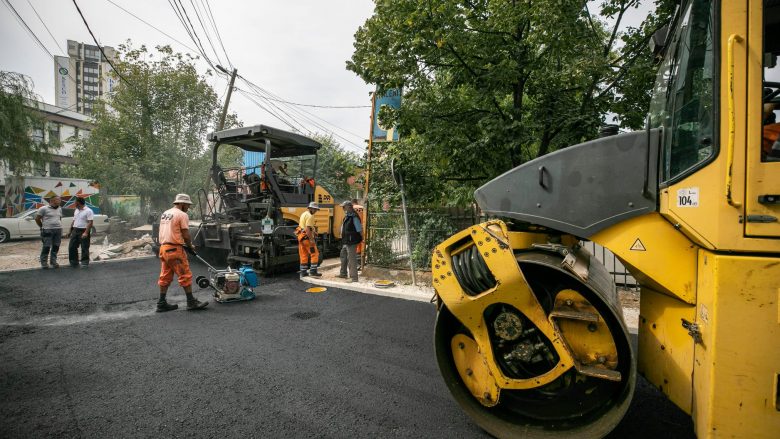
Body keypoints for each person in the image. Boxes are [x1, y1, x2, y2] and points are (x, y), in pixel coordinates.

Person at [156, 193, 208, 312]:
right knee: (185, 275)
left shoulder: (166, 213)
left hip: (164, 248)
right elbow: (186, 234)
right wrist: (190, 246)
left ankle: (161, 303)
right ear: (182, 203)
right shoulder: (182, 214)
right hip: (174, 249)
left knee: (165, 276)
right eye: (187, 205)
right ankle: (191, 302)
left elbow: (170, 231)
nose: (188, 207)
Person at [337, 200, 363, 283]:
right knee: (343, 256)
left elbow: (359, 229)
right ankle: (343, 273)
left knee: (351, 259)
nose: (343, 208)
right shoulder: (347, 216)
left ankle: (354, 278)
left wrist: (362, 238)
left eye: (344, 207)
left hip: (351, 241)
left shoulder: (354, 217)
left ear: (349, 207)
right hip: (346, 240)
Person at [296, 201, 322, 278]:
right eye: (314, 209)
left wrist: (313, 231)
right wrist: (311, 239)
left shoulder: (304, 214)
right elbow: (307, 229)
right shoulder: (310, 216)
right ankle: (313, 271)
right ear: (310, 208)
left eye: (316, 209)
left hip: (301, 237)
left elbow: (304, 226)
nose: (315, 211)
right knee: (315, 253)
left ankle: (303, 272)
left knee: (303, 254)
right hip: (307, 239)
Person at [35, 196, 62, 269]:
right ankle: (44, 263)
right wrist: (42, 226)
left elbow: (59, 218)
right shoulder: (43, 208)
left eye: (60, 199)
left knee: (56, 246)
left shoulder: (59, 208)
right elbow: (37, 219)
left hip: (58, 230)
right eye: (58, 199)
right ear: (52, 200)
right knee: (46, 246)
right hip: (47, 230)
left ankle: (53, 261)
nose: (60, 201)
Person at [67, 197, 94, 268]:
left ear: (78, 202)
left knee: (84, 247)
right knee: (72, 246)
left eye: (75, 202)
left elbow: (90, 222)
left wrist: (86, 233)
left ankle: (84, 262)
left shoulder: (88, 211)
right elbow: (74, 221)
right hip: (75, 230)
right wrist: (70, 231)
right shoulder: (76, 210)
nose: (74, 203)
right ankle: (74, 262)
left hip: (83, 230)